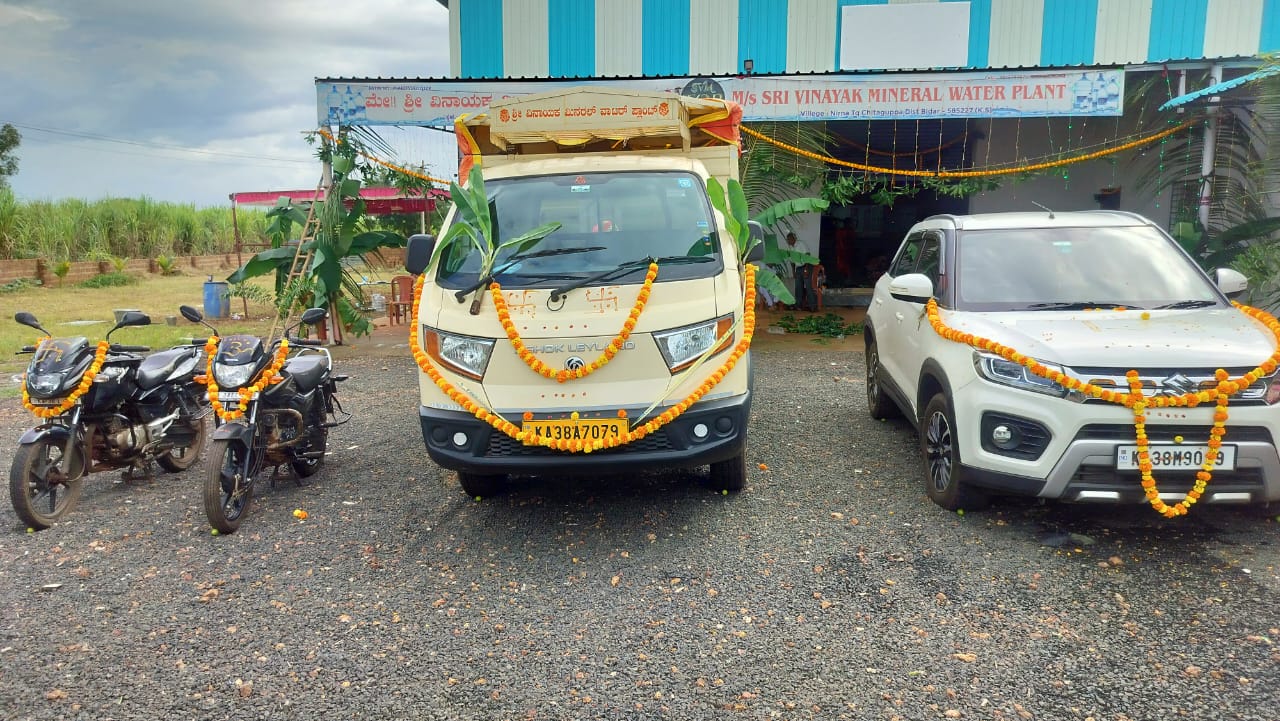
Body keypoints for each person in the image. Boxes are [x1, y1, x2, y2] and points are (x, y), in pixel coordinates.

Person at [785, 232, 817, 311]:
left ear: (794, 238)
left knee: (809, 286)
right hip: (798, 268)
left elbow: (807, 255)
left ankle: (812, 306)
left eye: (789, 239)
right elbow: (792, 261)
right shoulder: (790, 248)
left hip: (807, 266)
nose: (788, 241)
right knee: (798, 287)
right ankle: (798, 305)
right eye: (787, 240)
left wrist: (806, 269)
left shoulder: (801, 244)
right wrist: (793, 271)